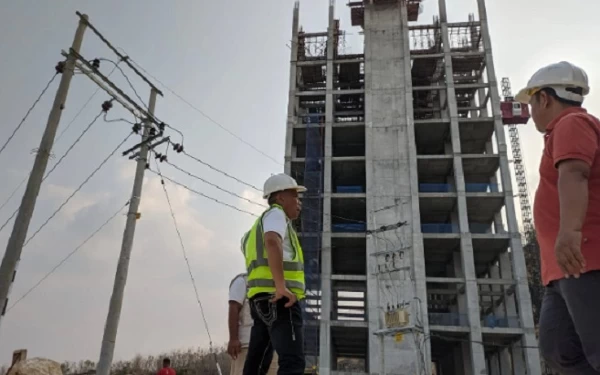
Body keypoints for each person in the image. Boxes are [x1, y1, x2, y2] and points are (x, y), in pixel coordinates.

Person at [516, 61, 600, 373]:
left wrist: (571, 231)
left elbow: (576, 174)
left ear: (544, 98)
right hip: (563, 269)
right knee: (557, 347)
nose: (530, 111)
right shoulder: (564, 129)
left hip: (586, 258)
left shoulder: (572, 124)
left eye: (531, 103)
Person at [241, 173, 307, 375]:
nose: (299, 202)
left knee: (257, 364)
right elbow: (272, 241)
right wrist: (281, 286)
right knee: (292, 363)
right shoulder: (276, 215)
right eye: (295, 196)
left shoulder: (252, 231)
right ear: (280, 197)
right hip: (280, 299)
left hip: (260, 301)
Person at [228, 272, 278, 375]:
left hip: (272, 346)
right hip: (246, 345)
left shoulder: (276, 282)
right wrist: (233, 339)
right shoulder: (242, 281)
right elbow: (234, 308)